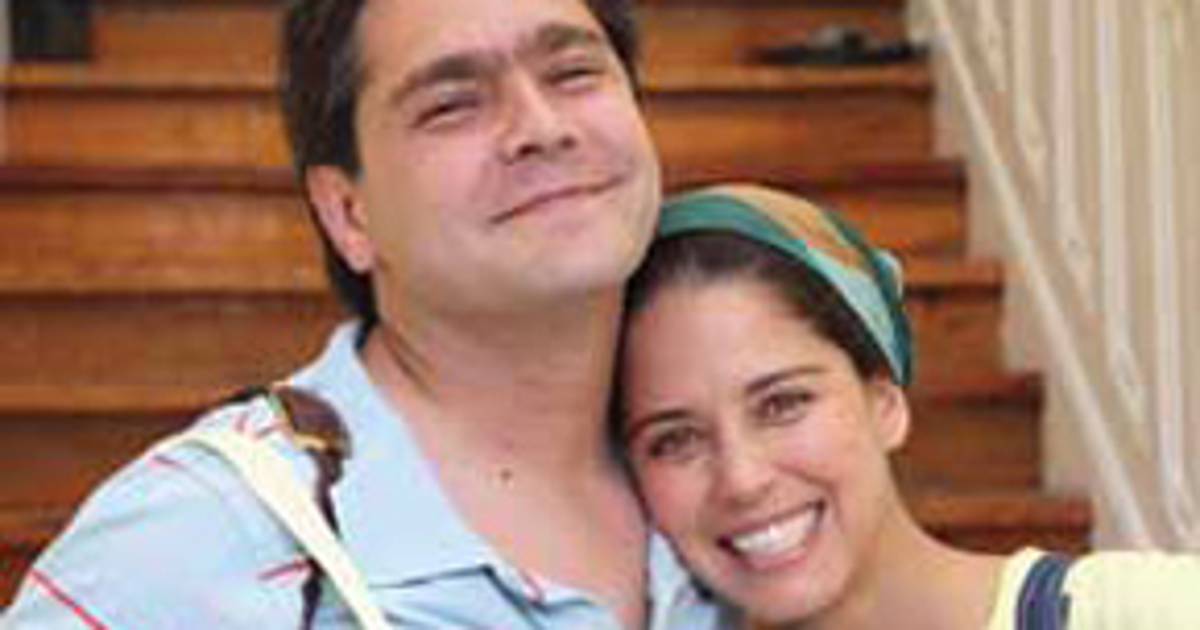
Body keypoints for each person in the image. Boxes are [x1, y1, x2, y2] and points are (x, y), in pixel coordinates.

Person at [2, 0, 730, 627]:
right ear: (347, 212)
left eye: (573, 73)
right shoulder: (208, 527)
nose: (542, 126)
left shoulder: (749, 478)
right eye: (451, 105)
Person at [616, 183, 1200, 630]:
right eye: (675, 440)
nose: (742, 480)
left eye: (782, 403)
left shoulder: (1145, 614)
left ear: (885, 402)